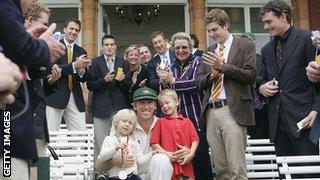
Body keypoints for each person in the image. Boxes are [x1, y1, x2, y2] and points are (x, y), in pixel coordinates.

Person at [0, 0, 65, 179]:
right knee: (11, 171)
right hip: (9, 122)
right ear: (28, 20)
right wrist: (41, 48)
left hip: (26, 123)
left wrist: (32, 43)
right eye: (43, 24)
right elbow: (19, 50)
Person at [196, 8, 256, 179]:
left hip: (233, 109)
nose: (212, 34)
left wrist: (223, 67)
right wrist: (212, 75)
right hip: (211, 111)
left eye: (215, 29)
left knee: (237, 169)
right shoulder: (208, 51)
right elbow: (199, 83)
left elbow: (251, 76)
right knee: (221, 169)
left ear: (226, 25)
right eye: (209, 31)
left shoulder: (245, 45)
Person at [259, 0, 319, 156]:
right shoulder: (266, 50)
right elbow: (263, 80)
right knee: (285, 175)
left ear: (283, 17)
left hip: (305, 120)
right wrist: (262, 88)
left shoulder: (308, 38)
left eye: (269, 21)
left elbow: (318, 80)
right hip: (277, 124)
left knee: (308, 174)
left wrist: (316, 110)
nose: (265, 27)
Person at [158, 32, 213, 180]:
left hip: (196, 119)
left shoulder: (198, 62)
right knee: (183, 164)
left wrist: (173, 81)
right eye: (177, 48)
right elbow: (168, 94)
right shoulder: (171, 66)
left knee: (200, 159)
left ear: (191, 47)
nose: (180, 51)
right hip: (178, 123)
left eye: (184, 47)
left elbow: (196, 85)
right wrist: (164, 82)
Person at [96, 87, 173, 180]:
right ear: (135, 106)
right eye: (142, 102)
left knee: (161, 159)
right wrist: (115, 161)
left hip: (156, 174)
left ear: (155, 105)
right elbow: (99, 166)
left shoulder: (163, 124)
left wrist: (188, 151)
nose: (146, 107)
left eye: (150, 102)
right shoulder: (126, 127)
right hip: (131, 175)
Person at [24, 0, 62, 157]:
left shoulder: (42, 47)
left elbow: (36, 81)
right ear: (30, 21)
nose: (48, 30)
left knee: (38, 169)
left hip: (37, 119)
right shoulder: (15, 44)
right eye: (44, 24)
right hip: (15, 120)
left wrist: (50, 82)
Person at [87, 34, 131, 159]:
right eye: (106, 45)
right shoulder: (95, 62)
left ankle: (118, 169)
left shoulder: (123, 62)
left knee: (120, 140)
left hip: (119, 108)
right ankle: (101, 172)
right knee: (100, 142)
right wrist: (104, 80)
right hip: (101, 108)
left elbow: (127, 86)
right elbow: (90, 85)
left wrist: (121, 81)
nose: (109, 47)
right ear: (102, 47)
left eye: (112, 44)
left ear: (116, 46)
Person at [45, 18, 92, 131]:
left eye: (77, 30)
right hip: (56, 95)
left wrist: (82, 71)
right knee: (51, 134)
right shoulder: (54, 46)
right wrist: (75, 65)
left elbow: (84, 79)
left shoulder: (81, 51)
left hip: (75, 96)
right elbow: (53, 68)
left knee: (80, 135)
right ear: (65, 29)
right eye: (71, 28)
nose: (74, 32)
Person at [150, 89, 199, 180]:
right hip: (170, 165)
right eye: (161, 105)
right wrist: (166, 154)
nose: (164, 106)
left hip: (186, 164)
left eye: (167, 103)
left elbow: (195, 140)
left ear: (176, 102)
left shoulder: (187, 122)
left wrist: (191, 154)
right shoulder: (160, 122)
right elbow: (154, 142)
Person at [99, 109, 158, 180]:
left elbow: (140, 160)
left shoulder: (133, 141)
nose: (127, 124)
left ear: (133, 128)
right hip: (115, 177)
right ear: (117, 123)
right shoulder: (109, 139)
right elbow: (103, 157)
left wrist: (151, 154)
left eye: (130, 123)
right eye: (124, 121)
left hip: (132, 176)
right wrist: (114, 149)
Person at [241, 32, 269, 139]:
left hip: (260, 103)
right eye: (242, 42)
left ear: (253, 44)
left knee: (261, 135)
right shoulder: (236, 61)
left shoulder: (261, 58)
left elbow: (267, 76)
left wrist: (250, 78)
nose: (245, 44)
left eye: (248, 42)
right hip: (243, 105)